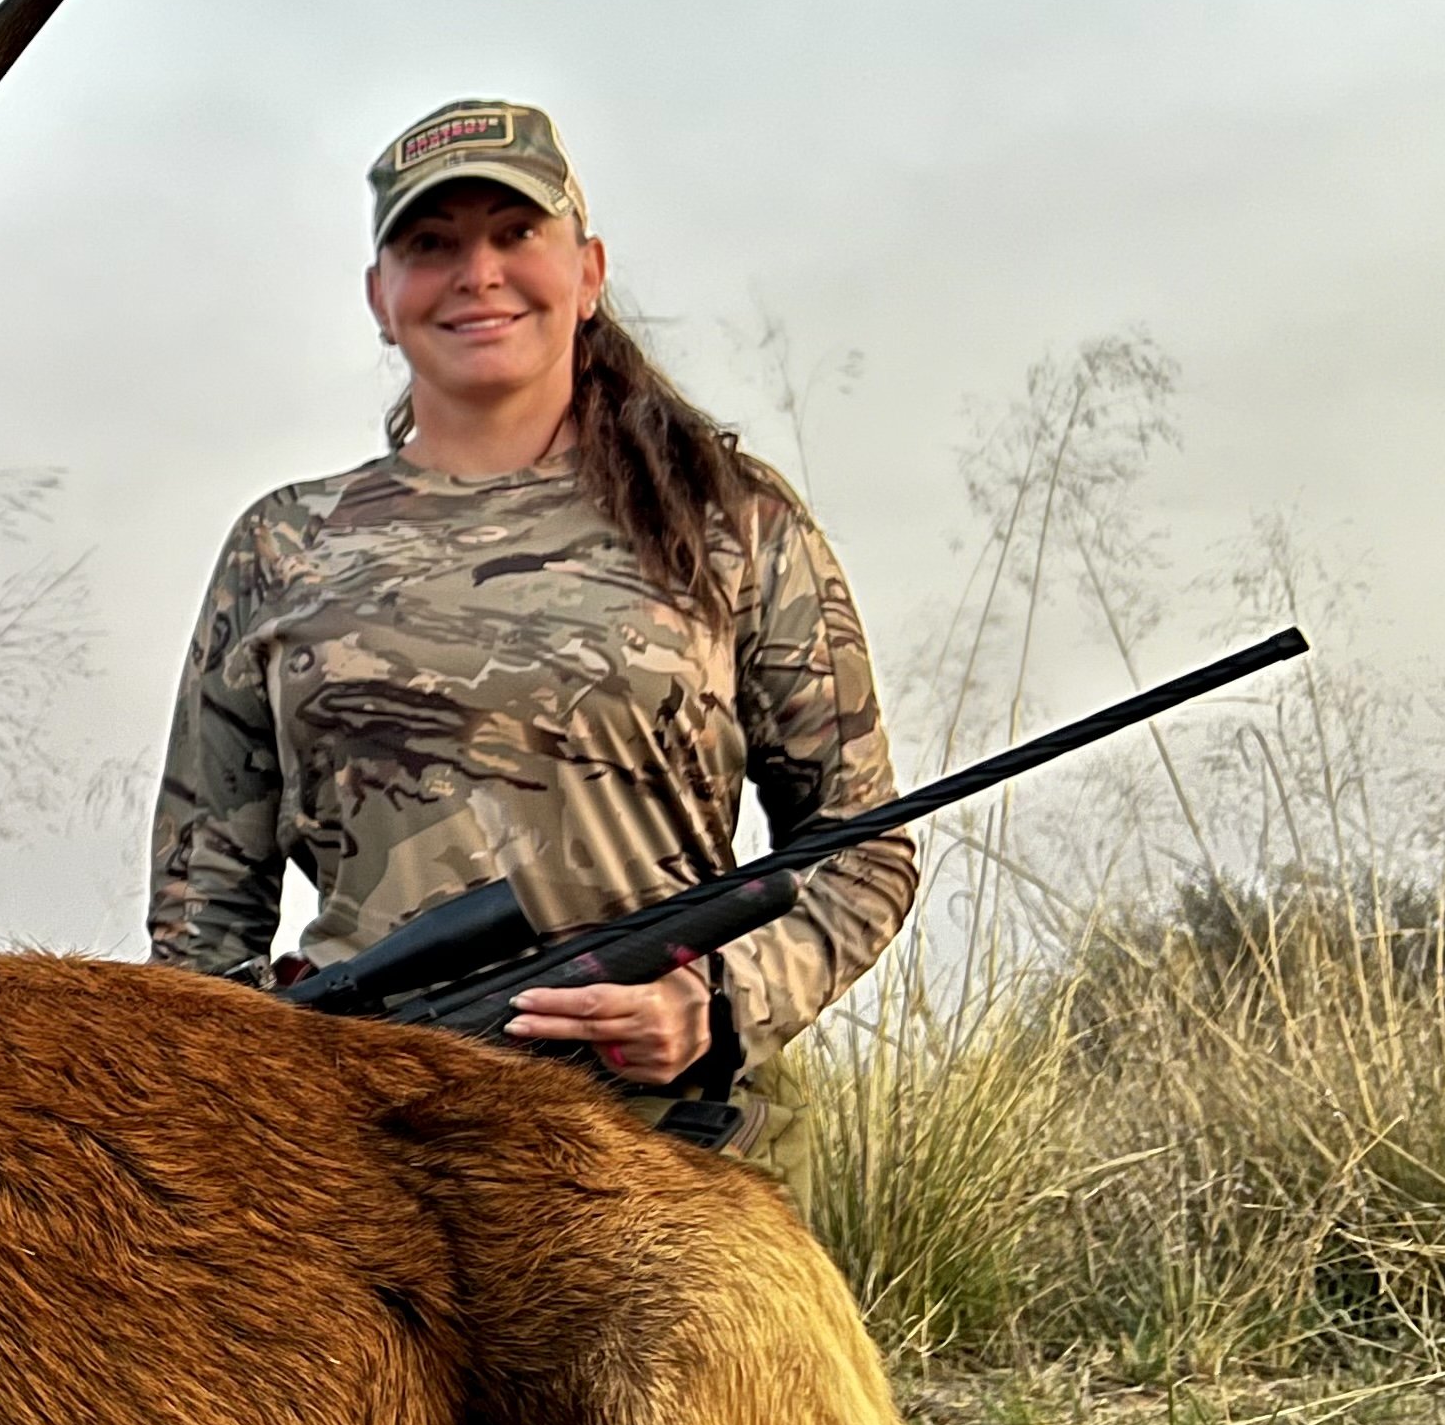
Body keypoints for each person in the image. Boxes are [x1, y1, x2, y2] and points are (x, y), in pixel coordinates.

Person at [148, 99, 912, 1136]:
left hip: (673, 1144)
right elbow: (201, 923)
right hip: (362, 1150)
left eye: (516, 235)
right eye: (433, 245)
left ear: (588, 272)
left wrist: (721, 1003)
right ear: (381, 296)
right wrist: (242, 1121)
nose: (479, 274)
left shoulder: (732, 517)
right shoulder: (282, 545)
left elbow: (861, 844)